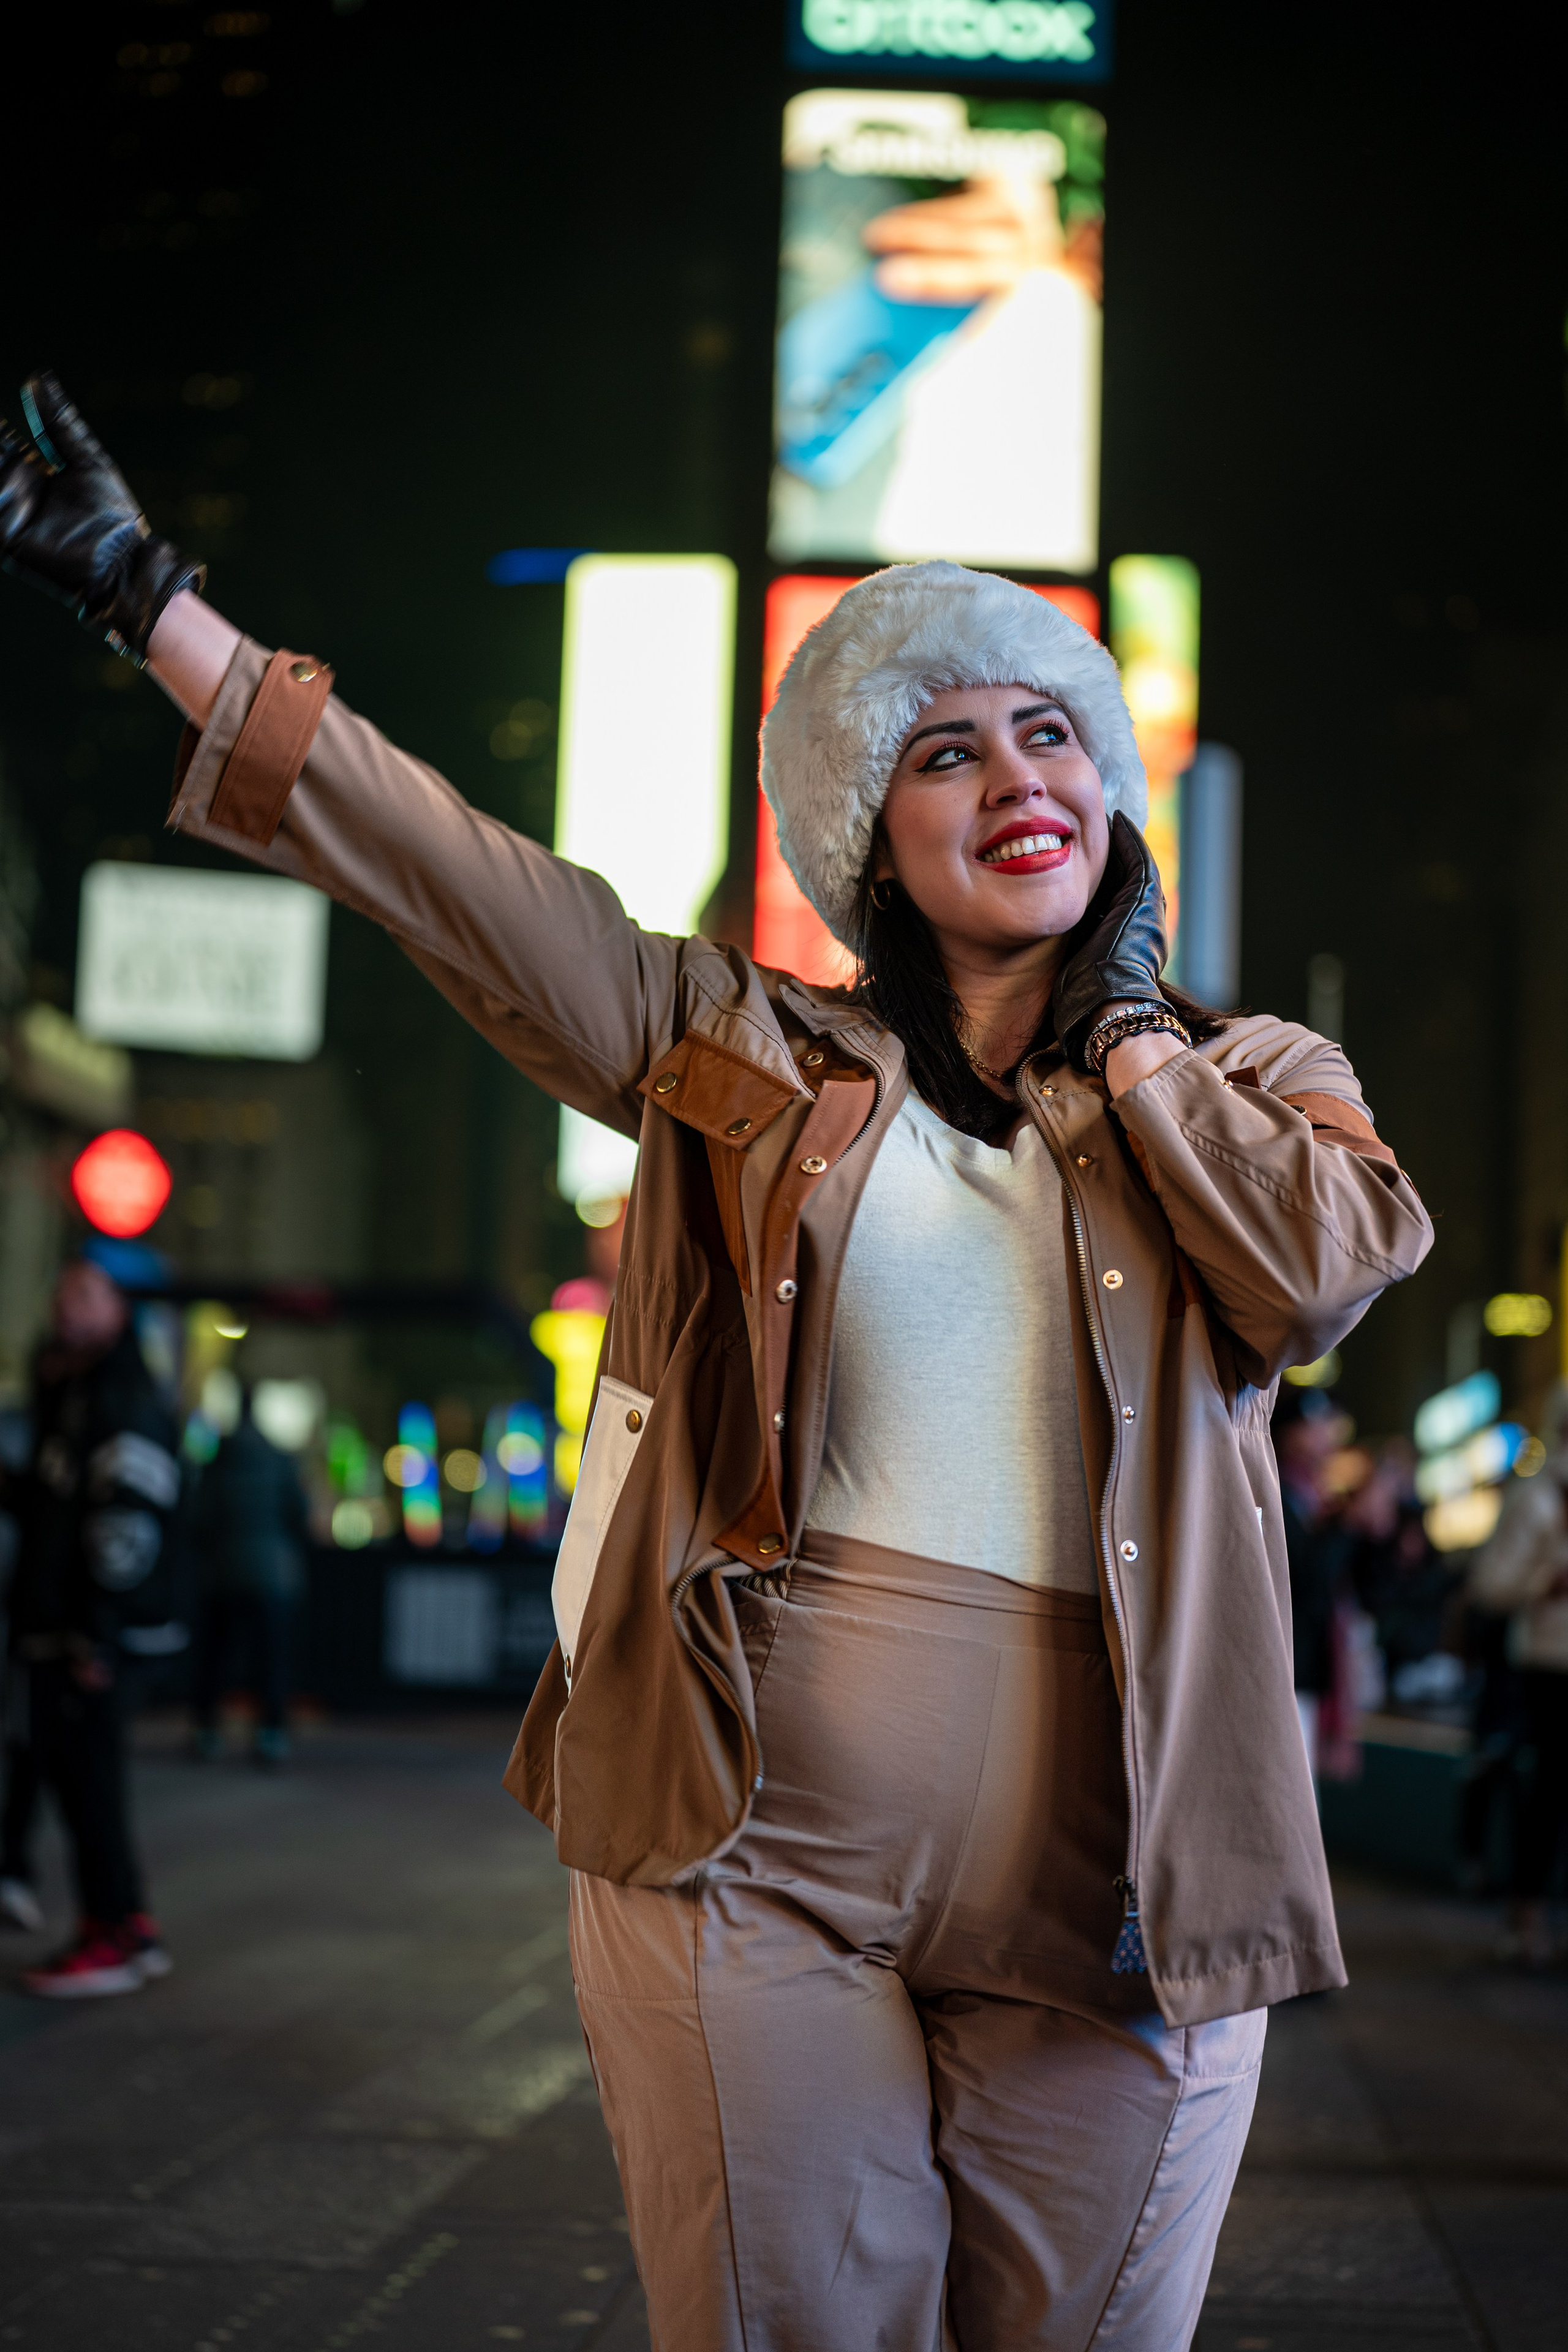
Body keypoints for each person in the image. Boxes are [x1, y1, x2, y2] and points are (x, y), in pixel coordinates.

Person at [0, 375, 1433, 2346]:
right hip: (749, 1845)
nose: (1012, 770)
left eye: (1048, 732)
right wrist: (157, 603)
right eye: (943, 747)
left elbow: (1323, 1269)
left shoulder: (1257, 1075)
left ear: (1109, 792)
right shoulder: (737, 1049)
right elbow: (452, 874)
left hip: (1126, 1886)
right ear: (867, 830)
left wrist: (1129, 1044)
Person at [1, 1254, 179, 1996]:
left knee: (90, 1783)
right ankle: (118, 1929)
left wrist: (95, 1635)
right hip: (70, 1626)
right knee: (76, 1778)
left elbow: (123, 1527)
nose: (64, 1305)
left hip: (95, 1632)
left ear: (121, 1306)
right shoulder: (74, 1387)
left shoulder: (120, 1395)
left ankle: (118, 1935)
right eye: (62, 1288)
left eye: (84, 1292)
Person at [1469, 1390, 1568, 1968]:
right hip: (1548, 1666)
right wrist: (1545, 1583)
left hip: (1548, 1662)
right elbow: (1490, 1584)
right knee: (1550, 1793)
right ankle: (1527, 1912)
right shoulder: (1538, 1499)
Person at [188, 1383, 309, 1767]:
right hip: (272, 1575)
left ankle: (207, 1732)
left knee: (216, 1659)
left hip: (222, 1574)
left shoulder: (217, 1458)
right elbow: (299, 1513)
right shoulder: (279, 1458)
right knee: (269, 1661)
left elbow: (199, 1514)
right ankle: (270, 1734)